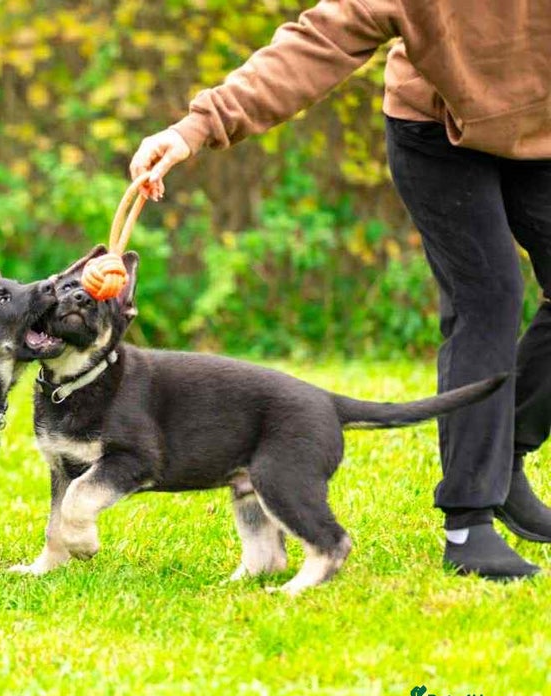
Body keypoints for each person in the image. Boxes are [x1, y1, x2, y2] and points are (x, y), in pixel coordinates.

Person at [130, 0, 551, 580]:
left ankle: (503, 455)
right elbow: (319, 39)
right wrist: (198, 125)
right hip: (437, 130)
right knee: (489, 295)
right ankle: (469, 519)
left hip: (542, 130)